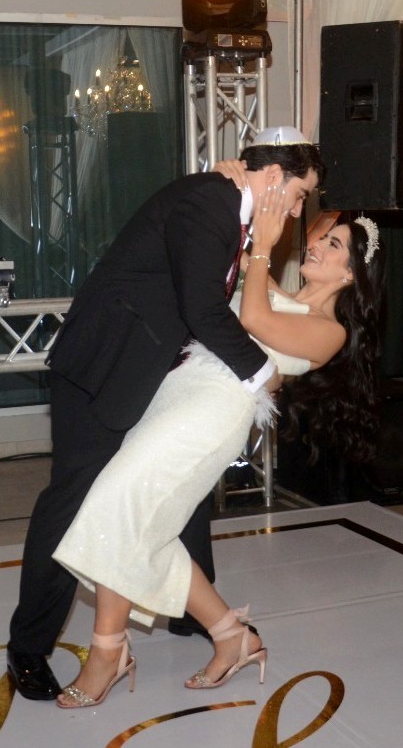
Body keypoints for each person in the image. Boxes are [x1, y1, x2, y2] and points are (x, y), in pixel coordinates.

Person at [6, 127, 326, 701]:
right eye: (302, 194)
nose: (303, 210)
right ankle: (28, 647)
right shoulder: (212, 201)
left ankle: (195, 616)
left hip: (153, 375)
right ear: (275, 177)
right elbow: (202, 306)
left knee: (183, 495)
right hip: (104, 369)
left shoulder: (230, 203)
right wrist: (261, 375)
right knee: (73, 499)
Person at [49, 192, 385, 707]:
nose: (316, 243)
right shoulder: (277, 289)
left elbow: (249, 320)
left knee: (118, 506)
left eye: (333, 243)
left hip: (211, 418)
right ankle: (233, 636)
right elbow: (226, 288)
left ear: (350, 275)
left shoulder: (329, 333)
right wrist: (236, 190)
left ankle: (108, 652)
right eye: (321, 236)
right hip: (176, 398)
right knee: (144, 527)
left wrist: (264, 250)